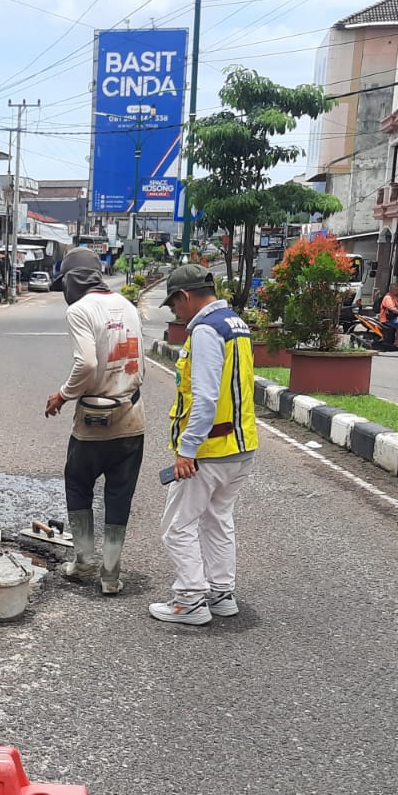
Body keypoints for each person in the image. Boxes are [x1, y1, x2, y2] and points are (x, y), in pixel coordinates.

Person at [149, 263, 258, 626]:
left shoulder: (208, 331)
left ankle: (190, 600)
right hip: (240, 447)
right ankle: (220, 593)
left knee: (177, 526)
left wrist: (187, 450)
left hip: (211, 450)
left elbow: (206, 398)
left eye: (174, 305)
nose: (175, 313)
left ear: (185, 296)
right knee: (217, 519)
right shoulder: (235, 324)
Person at [43, 245, 145, 595]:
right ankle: (110, 575)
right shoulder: (128, 306)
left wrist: (62, 394)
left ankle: (85, 560)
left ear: (72, 280)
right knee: (119, 496)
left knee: (77, 483)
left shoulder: (80, 310)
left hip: (93, 421)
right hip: (131, 416)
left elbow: (86, 364)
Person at [378, 282, 398, 347]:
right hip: (386, 319)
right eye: (397, 290)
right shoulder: (388, 298)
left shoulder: (393, 297)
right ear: (392, 290)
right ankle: (396, 341)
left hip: (392, 318)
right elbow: (392, 308)